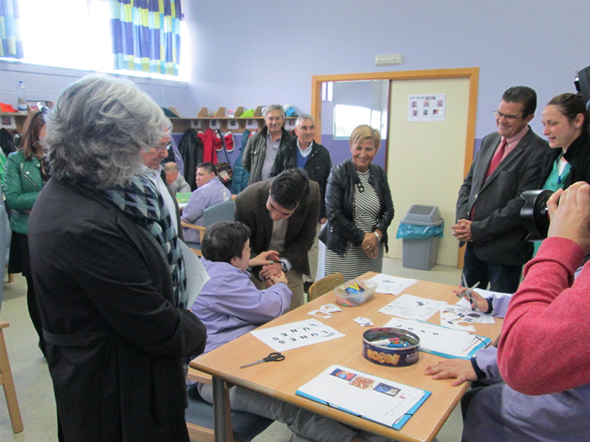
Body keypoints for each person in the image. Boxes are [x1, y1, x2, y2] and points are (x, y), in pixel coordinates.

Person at [27, 75, 207, 442]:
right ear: (107, 145)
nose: (143, 151)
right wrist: (199, 330)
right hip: (118, 395)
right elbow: (152, 324)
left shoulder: (79, 190)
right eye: (135, 141)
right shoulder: (85, 226)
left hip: (116, 378)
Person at [190, 220, 395, 442]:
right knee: (294, 403)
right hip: (218, 380)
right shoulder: (224, 282)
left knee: (309, 381)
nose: (251, 254)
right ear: (233, 259)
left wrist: (248, 264)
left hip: (240, 360)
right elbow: (269, 308)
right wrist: (281, 285)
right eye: (248, 250)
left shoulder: (208, 268)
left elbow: (244, 295)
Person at [426, 182, 590, 442]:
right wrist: (493, 303)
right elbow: (565, 301)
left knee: (478, 400)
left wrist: (560, 245)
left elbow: (525, 356)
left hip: (566, 412)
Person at [453, 86, 548, 293]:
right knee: (466, 303)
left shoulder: (538, 151)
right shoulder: (490, 140)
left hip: (505, 250)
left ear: (528, 118)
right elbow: (469, 184)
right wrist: (462, 220)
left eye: (510, 117)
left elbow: (520, 203)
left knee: (497, 311)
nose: (501, 120)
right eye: (499, 113)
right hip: (473, 244)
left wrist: (477, 229)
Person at [235, 168, 320, 310]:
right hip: (256, 264)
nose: (274, 216)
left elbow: (306, 238)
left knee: (295, 314)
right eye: (272, 206)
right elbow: (244, 246)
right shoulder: (246, 201)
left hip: (291, 260)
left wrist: (282, 265)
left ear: (298, 206)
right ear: (270, 191)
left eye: (285, 214)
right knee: (260, 317)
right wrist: (265, 274)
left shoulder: (311, 193)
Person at [319, 125, 394, 281]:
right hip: (344, 250)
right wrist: (362, 239)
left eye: (369, 149)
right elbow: (334, 215)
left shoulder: (379, 173)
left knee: (369, 293)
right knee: (342, 296)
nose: (363, 154)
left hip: (372, 248)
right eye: (358, 148)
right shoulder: (338, 173)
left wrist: (376, 235)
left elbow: (389, 209)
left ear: (376, 149)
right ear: (351, 147)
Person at [5, 108, 49, 356]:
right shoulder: (16, 160)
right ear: (34, 130)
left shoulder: (57, 158)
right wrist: (46, 199)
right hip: (28, 234)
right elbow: (12, 198)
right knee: (36, 289)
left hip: (54, 232)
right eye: (46, 128)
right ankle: (45, 342)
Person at [271, 114, 332, 283]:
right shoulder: (286, 150)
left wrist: (325, 210)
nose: (308, 131)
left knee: (312, 244)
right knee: (286, 240)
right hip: (287, 206)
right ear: (296, 130)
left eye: (311, 127)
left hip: (313, 206)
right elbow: (273, 176)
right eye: (304, 128)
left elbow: (328, 184)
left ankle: (310, 280)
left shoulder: (322, 153)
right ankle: (287, 272)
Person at [533, 93, 590, 254]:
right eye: (544, 124)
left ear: (578, 121)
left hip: (575, 250)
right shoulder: (550, 157)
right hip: (543, 244)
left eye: (553, 124)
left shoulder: (585, 160)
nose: (545, 131)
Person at [142, 128, 183, 238]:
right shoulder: (128, 184)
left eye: (166, 146)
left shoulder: (161, 175)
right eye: (158, 147)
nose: (165, 154)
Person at [242, 104, 293, 185]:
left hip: (282, 189)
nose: (274, 122)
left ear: (283, 120)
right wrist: (256, 172)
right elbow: (245, 161)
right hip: (257, 188)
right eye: (271, 118)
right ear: (265, 120)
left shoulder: (291, 141)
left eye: (277, 118)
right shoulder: (254, 139)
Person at [181, 162, 231, 244]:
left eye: (201, 175)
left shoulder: (202, 192)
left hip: (203, 235)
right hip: (222, 236)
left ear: (212, 175)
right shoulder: (226, 191)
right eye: (196, 175)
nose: (197, 178)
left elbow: (188, 217)